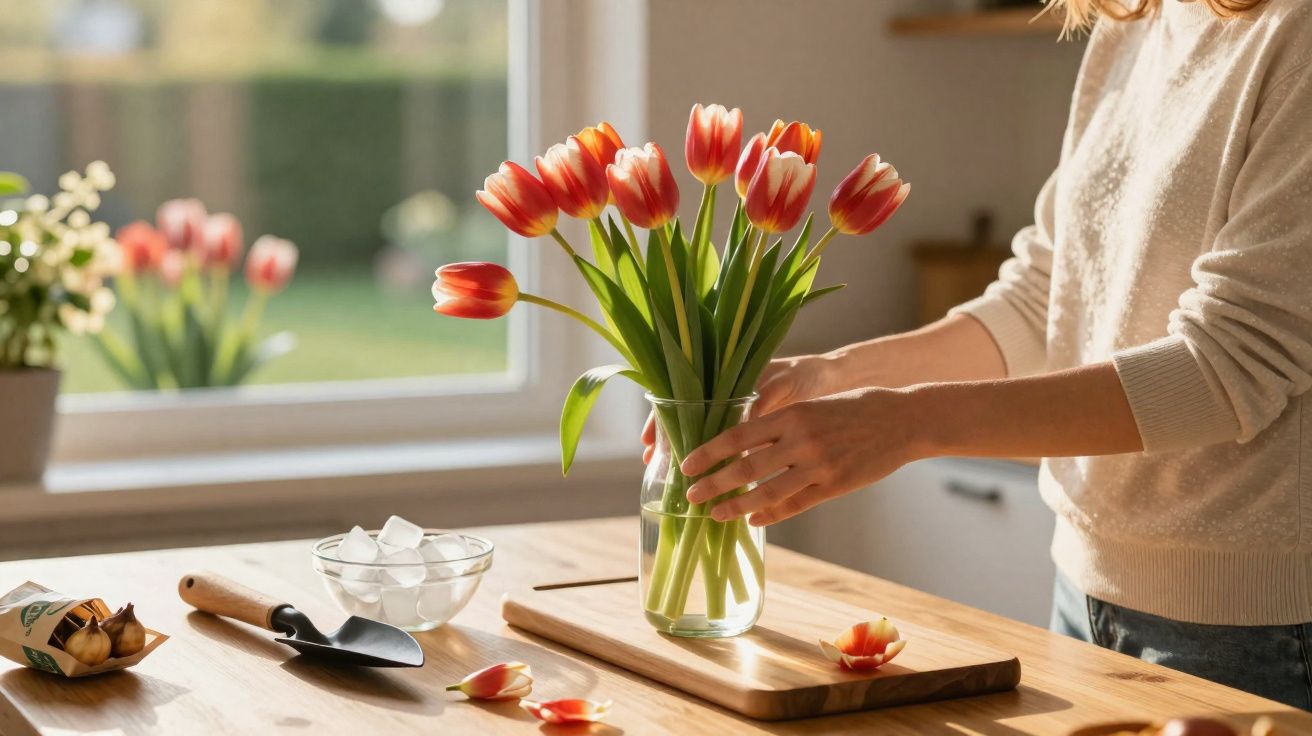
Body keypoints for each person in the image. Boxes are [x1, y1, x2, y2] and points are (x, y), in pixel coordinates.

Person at [644, 0, 1312, 709]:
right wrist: (833, 375)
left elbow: (1231, 362)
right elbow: (1045, 296)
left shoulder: (1295, 32)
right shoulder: (1134, 21)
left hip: (1252, 630)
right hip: (1081, 591)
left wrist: (905, 423)